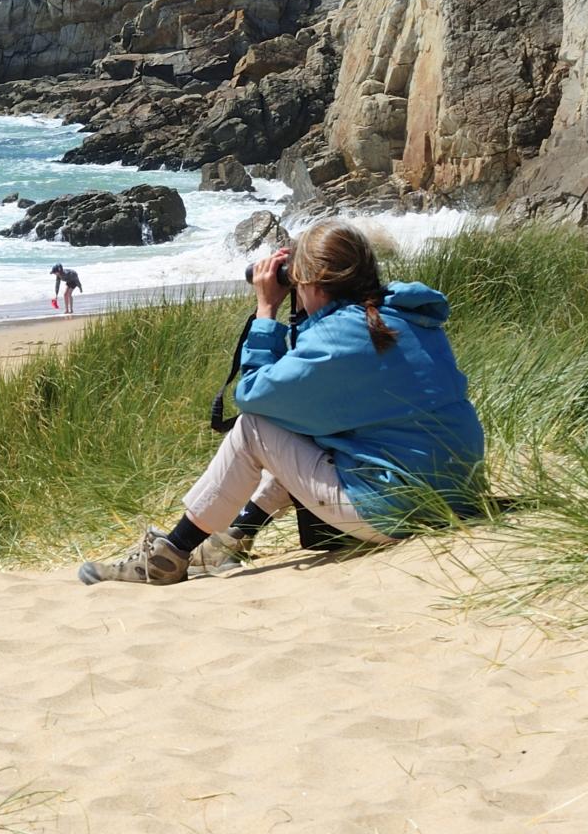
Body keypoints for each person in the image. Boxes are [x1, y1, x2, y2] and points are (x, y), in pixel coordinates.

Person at [79, 219, 484, 585]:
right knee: (302, 423)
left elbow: (254, 396)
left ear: (313, 283)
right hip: (458, 498)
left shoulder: (337, 338)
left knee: (255, 427)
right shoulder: (409, 318)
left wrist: (267, 308)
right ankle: (233, 538)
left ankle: (171, 554)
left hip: (395, 511)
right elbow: (313, 385)